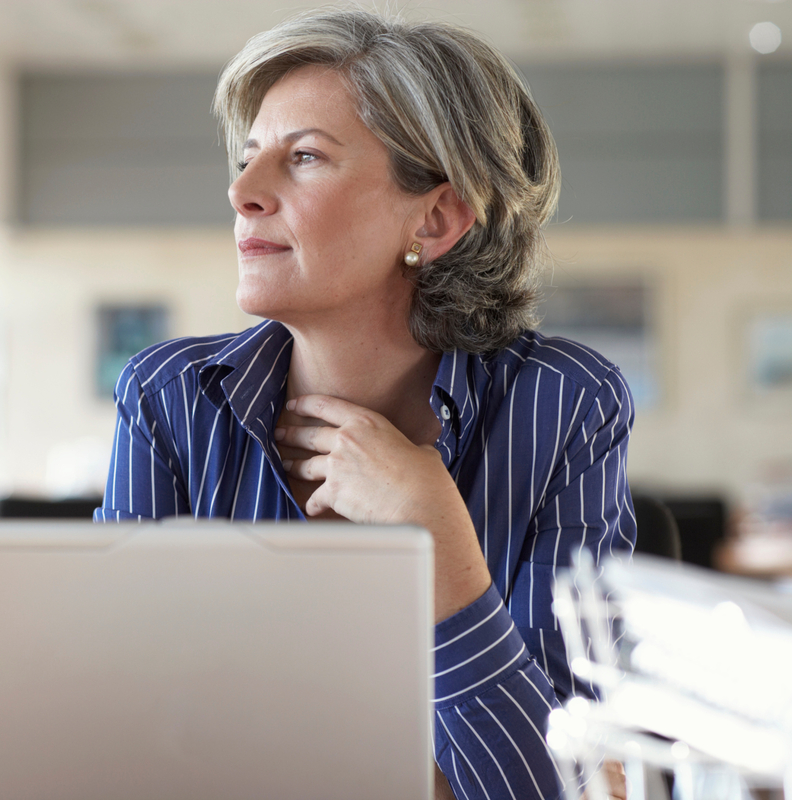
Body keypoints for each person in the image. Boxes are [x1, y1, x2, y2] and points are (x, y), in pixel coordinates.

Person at [94, 8, 635, 799]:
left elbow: (554, 787)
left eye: (304, 157)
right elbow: (113, 734)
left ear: (436, 217)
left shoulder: (563, 405)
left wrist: (435, 531)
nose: (242, 193)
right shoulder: (170, 399)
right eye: (247, 161)